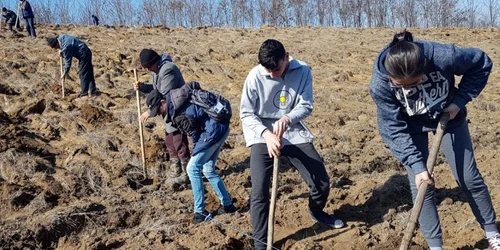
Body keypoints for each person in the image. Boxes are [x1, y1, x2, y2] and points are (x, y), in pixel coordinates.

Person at [369, 30, 499, 250]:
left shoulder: (442, 56)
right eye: (401, 86)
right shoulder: (380, 84)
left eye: (414, 83)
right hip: (411, 127)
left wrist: (459, 101)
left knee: (468, 177)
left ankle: (492, 232)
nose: (408, 90)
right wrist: (417, 166)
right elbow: (391, 128)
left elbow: (481, 63)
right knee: (421, 186)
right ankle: (436, 246)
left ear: (425, 68)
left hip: (449, 116)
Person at [240, 39, 344, 250]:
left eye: (276, 69)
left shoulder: (303, 70)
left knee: (321, 182)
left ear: (286, 56)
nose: (271, 75)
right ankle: (260, 244)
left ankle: (316, 212)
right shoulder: (254, 76)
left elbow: (306, 105)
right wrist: (267, 135)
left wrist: (287, 119)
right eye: (267, 70)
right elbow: (246, 113)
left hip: (293, 130)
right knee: (259, 191)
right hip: (261, 133)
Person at [145, 86, 237, 223]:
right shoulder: (177, 96)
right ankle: (228, 205)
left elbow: (195, 134)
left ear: (163, 102)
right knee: (208, 169)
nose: (158, 114)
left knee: (192, 168)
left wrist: (196, 151)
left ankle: (200, 212)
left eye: (158, 110)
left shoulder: (178, 114)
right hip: (221, 126)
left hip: (214, 130)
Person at [135, 49, 190, 183]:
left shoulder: (168, 70)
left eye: (148, 67)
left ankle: (186, 173)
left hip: (178, 111)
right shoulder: (157, 71)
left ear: (154, 62)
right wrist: (142, 87)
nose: (148, 70)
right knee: (170, 142)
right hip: (167, 112)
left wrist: (149, 112)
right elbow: (155, 89)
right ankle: (176, 170)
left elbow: (163, 94)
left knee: (179, 142)